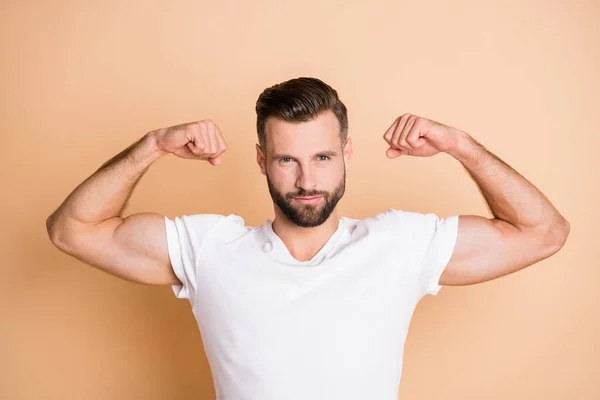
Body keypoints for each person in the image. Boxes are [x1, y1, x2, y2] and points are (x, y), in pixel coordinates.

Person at [46, 77, 570, 399]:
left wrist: (462, 146)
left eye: (321, 157)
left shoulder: (399, 244)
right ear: (261, 161)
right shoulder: (210, 249)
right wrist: (152, 145)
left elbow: (543, 233)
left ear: (346, 153)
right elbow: (73, 230)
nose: (306, 181)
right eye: (286, 159)